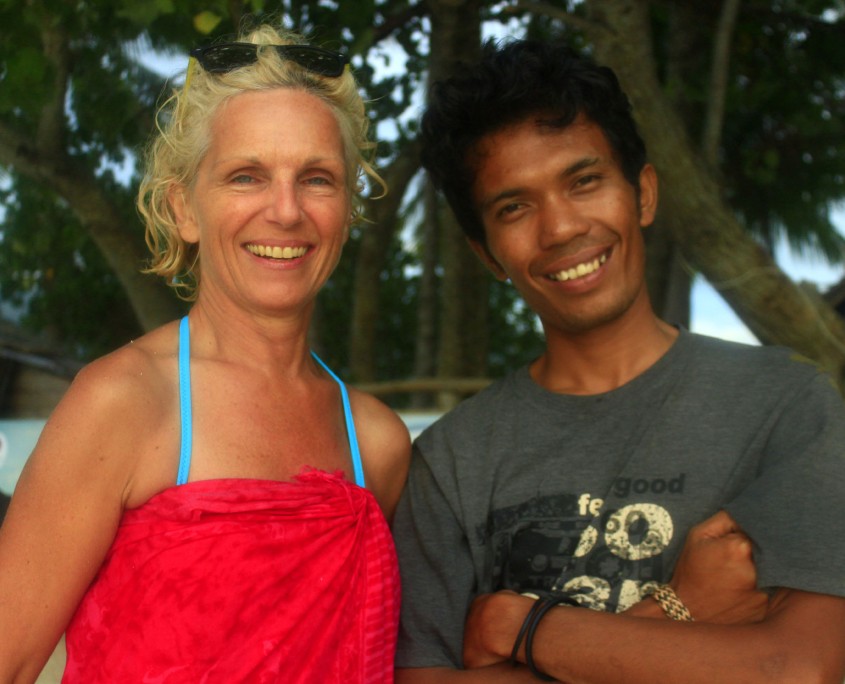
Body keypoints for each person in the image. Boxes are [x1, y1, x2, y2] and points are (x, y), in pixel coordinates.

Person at [393, 38, 845, 683]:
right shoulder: (449, 463)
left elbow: (797, 669)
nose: (561, 228)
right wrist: (680, 609)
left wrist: (519, 629)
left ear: (644, 194)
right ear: (487, 253)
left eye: (584, 182)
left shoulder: (786, 405)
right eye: (514, 207)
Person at [0, 24, 410, 684]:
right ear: (183, 208)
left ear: (346, 209)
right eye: (246, 176)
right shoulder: (128, 401)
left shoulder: (377, 443)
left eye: (317, 179)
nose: (286, 211)